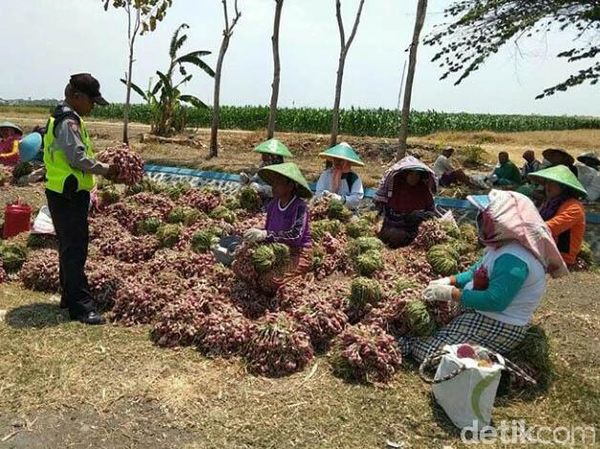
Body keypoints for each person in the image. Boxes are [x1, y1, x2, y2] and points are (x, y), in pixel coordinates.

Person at [400, 190, 568, 363]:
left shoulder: (515, 259)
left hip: (499, 323)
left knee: (432, 355)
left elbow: (494, 301)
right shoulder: (501, 246)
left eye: (483, 217)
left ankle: (414, 345)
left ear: (500, 223)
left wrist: (451, 293)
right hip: (479, 310)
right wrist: (449, 281)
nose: (479, 220)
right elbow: (474, 272)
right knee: (432, 321)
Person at [44, 73, 117, 325]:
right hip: (68, 193)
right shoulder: (68, 122)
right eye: (92, 101)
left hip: (62, 192)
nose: (93, 107)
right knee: (75, 248)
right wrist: (108, 169)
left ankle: (69, 295)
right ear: (77, 97)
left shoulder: (64, 116)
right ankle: (81, 307)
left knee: (68, 246)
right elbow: (78, 159)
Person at [243, 162, 313, 293]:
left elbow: (295, 236)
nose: (273, 186)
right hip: (275, 249)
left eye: (278, 182)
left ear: (290, 186)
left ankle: (302, 275)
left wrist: (266, 235)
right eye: (273, 182)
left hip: (297, 252)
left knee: (270, 281)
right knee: (241, 264)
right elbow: (269, 228)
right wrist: (257, 233)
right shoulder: (273, 204)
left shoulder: (300, 207)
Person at [528, 165, 587, 266]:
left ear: (563, 187)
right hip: (544, 251)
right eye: (546, 182)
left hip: (561, 258)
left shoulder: (574, 207)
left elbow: (549, 228)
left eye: (552, 183)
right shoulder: (549, 203)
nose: (547, 186)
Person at [374, 156, 438, 248]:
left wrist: (420, 215)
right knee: (394, 236)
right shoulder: (396, 187)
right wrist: (404, 218)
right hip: (395, 225)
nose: (414, 178)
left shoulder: (424, 190)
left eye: (417, 175)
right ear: (405, 175)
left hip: (416, 228)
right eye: (411, 174)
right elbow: (385, 211)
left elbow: (431, 212)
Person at [315, 142, 364, 210]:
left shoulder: (353, 178)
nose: (337, 162)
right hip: (326, 208)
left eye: (340, 160)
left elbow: (357, 199)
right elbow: (318, 192)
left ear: (347, 162)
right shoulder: (326, 174)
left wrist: (341, 199)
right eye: (335, 160)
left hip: (347, 211)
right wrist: (326, 195)